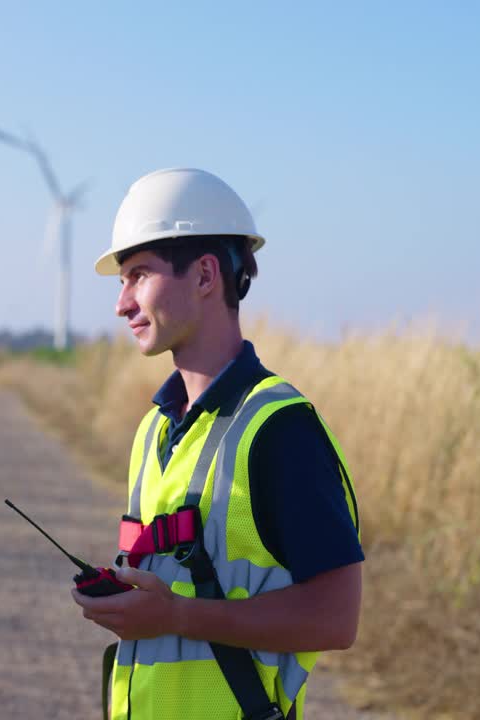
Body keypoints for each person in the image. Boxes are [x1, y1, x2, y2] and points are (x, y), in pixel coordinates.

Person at [71, 168, 362, 720]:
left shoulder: (281, 429)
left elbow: (335, 619)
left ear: (205, 275)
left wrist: (176, 616)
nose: (122, 303)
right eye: (121, 283)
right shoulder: (155, 428)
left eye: (138, 275)